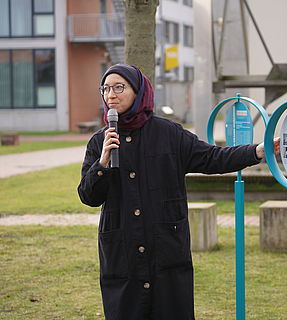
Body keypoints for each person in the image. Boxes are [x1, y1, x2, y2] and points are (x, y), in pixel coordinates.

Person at [77, 64, 274, 320]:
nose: (110, 94)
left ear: (138, 90)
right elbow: (88, 196)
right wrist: (102, 163)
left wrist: (256, 151)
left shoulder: (168, 133)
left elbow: (212, 158)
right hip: (122, 255)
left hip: (165, 251)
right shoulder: (99, 141)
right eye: (105, 89)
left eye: (118, 87)